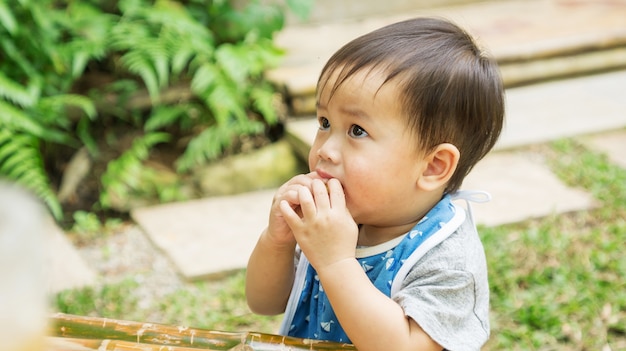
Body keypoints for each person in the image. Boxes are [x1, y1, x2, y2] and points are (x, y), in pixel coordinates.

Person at [246, 16, 504, 351]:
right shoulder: (333, 220)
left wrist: (336, 262)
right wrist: (276, 241)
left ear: (433, 167)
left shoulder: (446, 259)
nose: (325, 150)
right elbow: (263, 302)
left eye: (357, 131)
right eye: (324, 122)